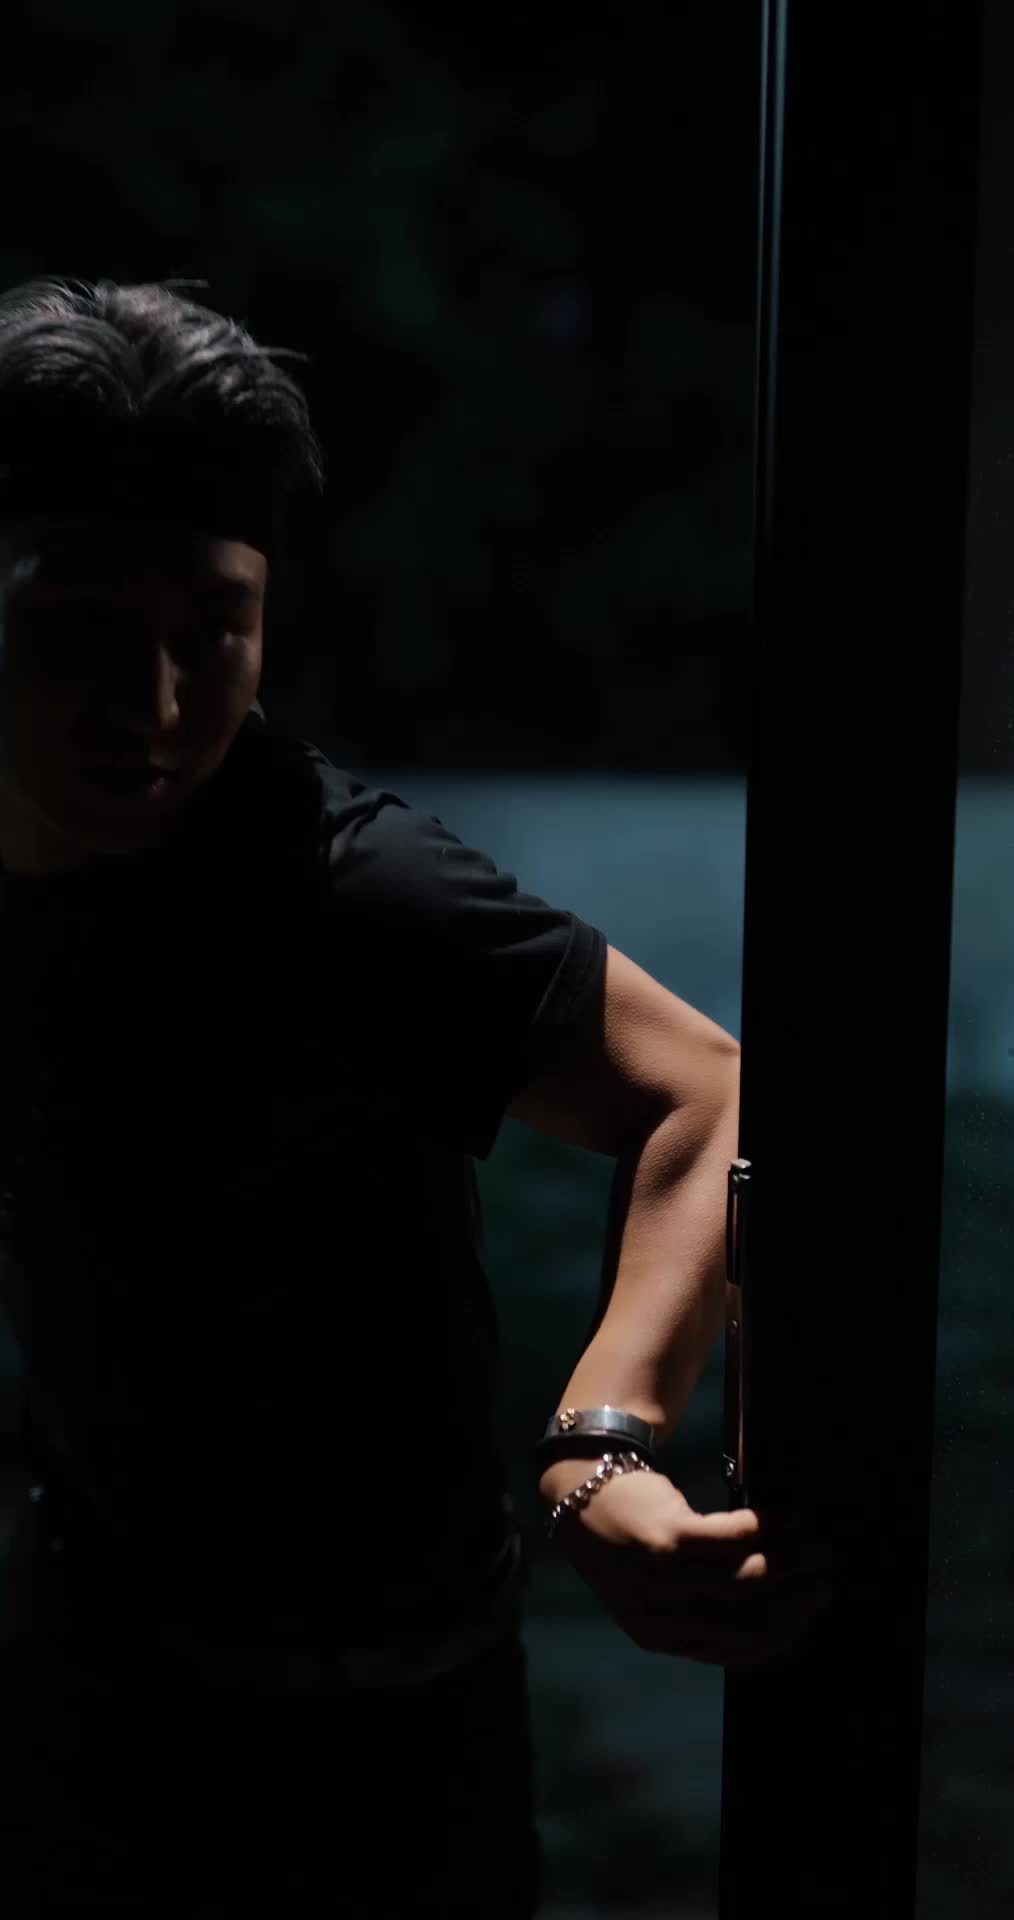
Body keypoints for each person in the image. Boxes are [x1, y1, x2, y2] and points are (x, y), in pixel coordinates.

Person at [0, 278, 831, 1916]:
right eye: (81, 629)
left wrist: (601, 1443)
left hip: (382, 1739)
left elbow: (706, 1091)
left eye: (212, 628)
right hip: (74, 1694)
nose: (154, 704)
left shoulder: (347, 893)